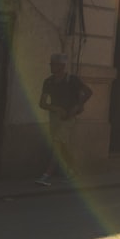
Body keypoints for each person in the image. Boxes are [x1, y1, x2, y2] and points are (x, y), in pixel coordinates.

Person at [38, 53, 92, 185]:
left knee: (57, 143)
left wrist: (78, 106)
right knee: (63, 146)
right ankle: (74, 170)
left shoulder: (72, 80)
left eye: (54, 64)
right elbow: (42, 103)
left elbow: (89, 92)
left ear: (62, 66)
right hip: (55, 117)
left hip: (68, 118)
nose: (51, 66)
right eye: (51, 63)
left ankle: (46, 175)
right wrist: (56, 109)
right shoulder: (48, 82)